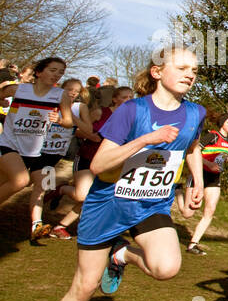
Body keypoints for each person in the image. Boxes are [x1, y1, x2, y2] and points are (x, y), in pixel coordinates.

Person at [24, 46, 206, 301]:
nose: (190, 74)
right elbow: (99, 165)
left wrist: (194, 182)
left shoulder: (195, 113)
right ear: (157, 72)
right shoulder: (131, 111)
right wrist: (148, 139)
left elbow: (192, 147)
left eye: (194, 69)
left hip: (152, 205)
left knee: (167, 267)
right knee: (84, 287)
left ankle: (121, 254)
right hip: (109, 205)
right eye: (181, 67)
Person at [0, 57, 78, 234]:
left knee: (5, 184)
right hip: (9, 143)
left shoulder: (60, 96)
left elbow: (68, 122)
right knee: (21, 181)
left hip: (32, 150)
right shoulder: (18, 89)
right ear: (39, 72)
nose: (57, 75)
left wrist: (59, 120)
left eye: (61, 72)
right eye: (53, 70)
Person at [50, 86, 132, 239]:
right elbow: (78, 130)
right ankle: (62, 189)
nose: (128, 100)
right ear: (114, 98)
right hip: (87, 157)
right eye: (124, 97)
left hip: (108, 164)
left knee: (95, 195)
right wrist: (92, 136)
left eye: (130, 98)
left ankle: (61, 227)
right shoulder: (100, 112)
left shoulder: (128, 119)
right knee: (82, 195)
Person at [28, 78, 86, 240]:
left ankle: (36, 224)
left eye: (77, 91)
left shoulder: (79, 108)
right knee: (27, 183)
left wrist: (71, 121)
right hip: (35, 151)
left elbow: (87, 130)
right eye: (70, 89)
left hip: (55, 155)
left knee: (40, 186)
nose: (73, 93)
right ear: (62, 89)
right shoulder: (50, 103)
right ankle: (36, 223)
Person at [178, 112, 228, 254]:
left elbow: (221, 159)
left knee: (210, 210)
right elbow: (194, 150)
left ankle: (193, 244)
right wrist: (208, 164)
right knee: (187, 213)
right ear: (222, 123)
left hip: (214, 178)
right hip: (199, 174)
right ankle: (177, 191)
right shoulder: (213, 136)